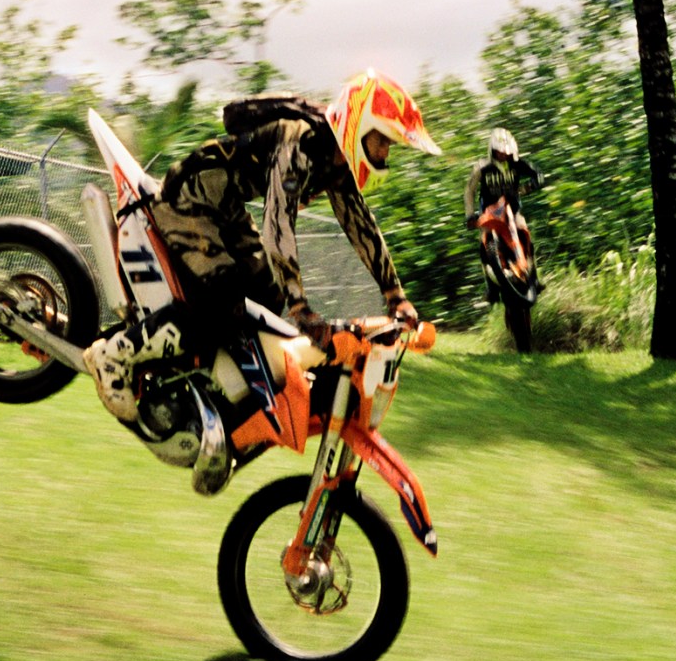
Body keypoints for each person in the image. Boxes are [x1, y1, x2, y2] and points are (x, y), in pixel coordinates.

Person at [83, 71, 440, 422]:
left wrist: (395, 293)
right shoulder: (300, 140)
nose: (385, 152)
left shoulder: (336, 162)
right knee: (222, 298)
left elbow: (359, 223)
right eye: (383, 141)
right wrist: (301, 307)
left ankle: (215, 379)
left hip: (226, 208)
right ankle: (115, 355)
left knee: (268, 295)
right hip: (190, 200)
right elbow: (278, 222)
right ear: (360, 125)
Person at [464, 128, 542, 289]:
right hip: (489, 211)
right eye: (499, 152)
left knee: (525, 232)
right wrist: (470, 215)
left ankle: (534, 277)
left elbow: (538, 175)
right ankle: (490, 287)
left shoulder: (518, 164)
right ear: (492, 150)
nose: (503, 155)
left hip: (512, 209)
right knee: (484, 242)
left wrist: (529, 187)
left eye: (506, 152)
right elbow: (469, 190)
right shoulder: (482, 167)